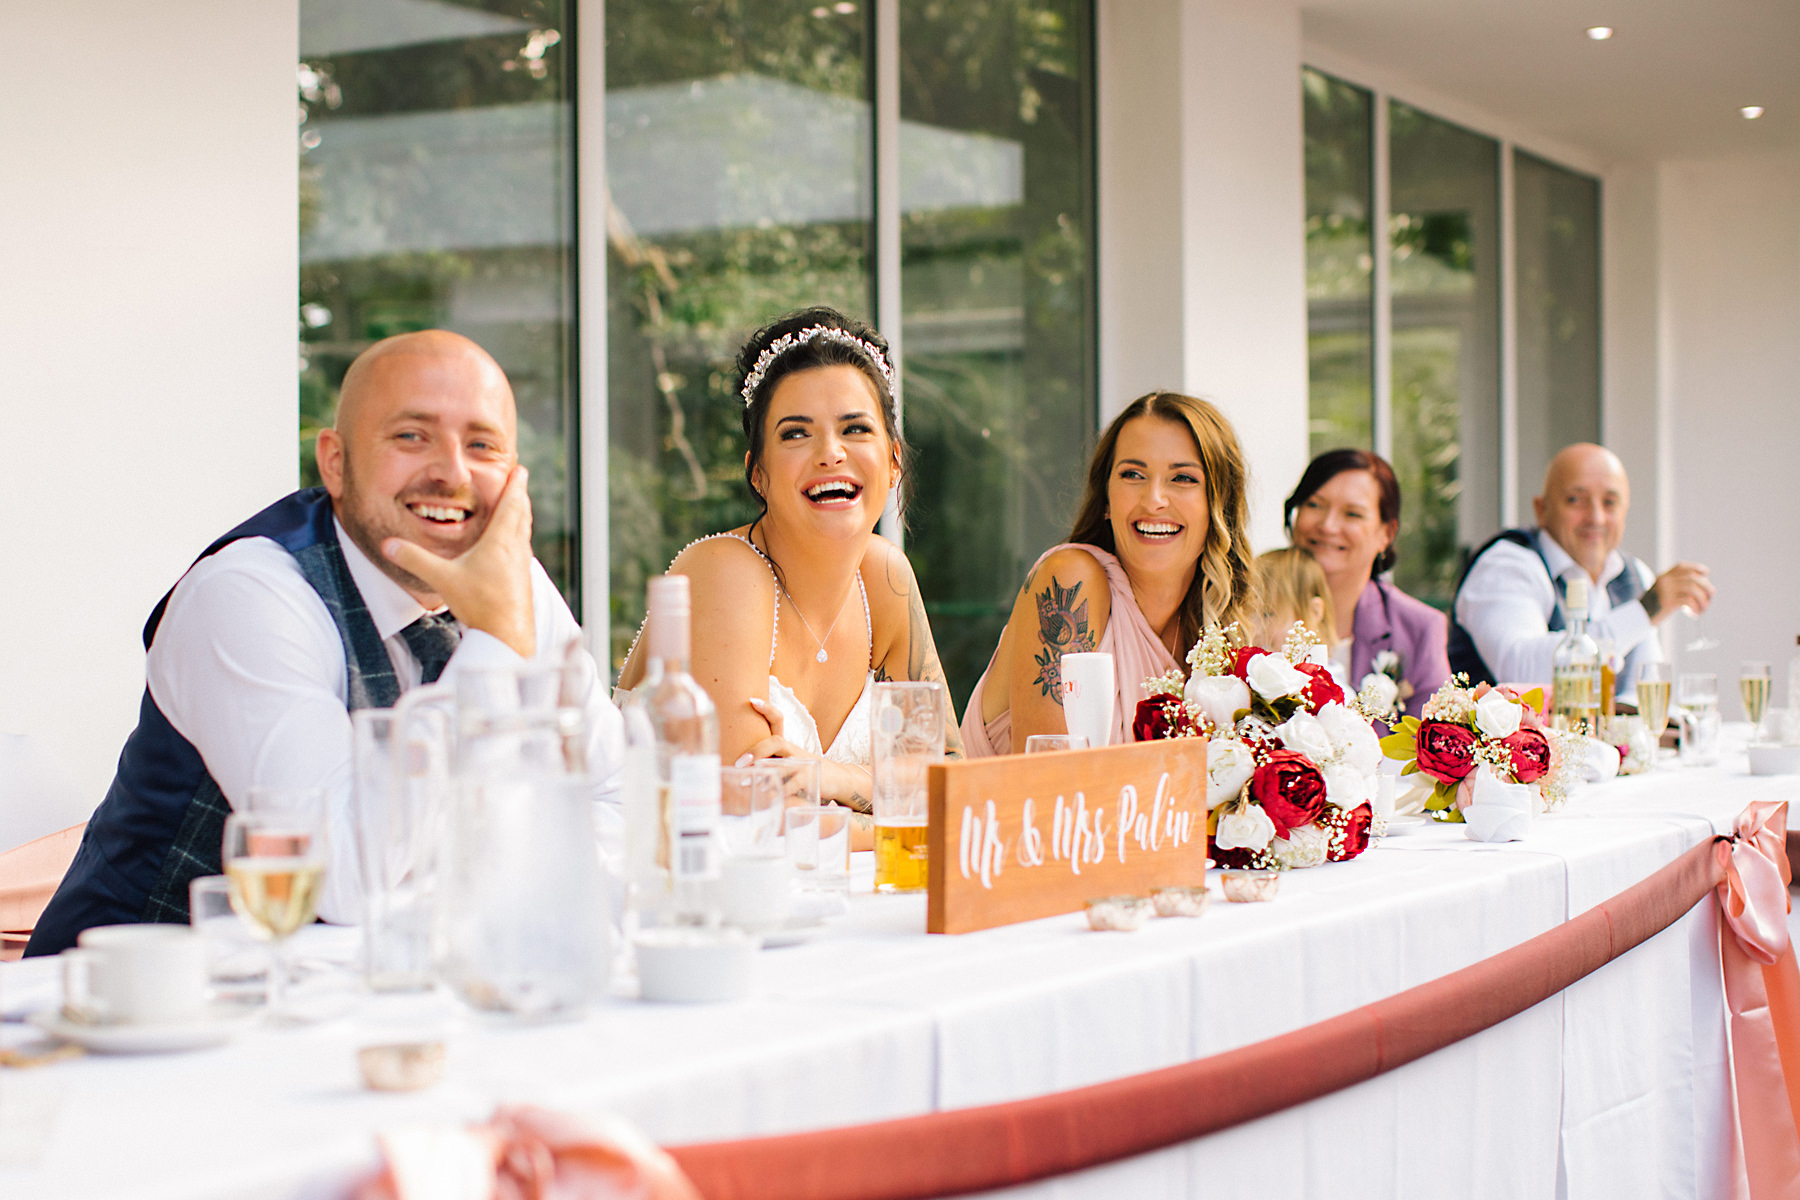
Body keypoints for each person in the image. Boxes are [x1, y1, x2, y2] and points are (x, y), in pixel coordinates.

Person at [28, 331, 625, 956]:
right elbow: (339, 881)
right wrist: (498, 643)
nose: (452, 473)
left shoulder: (512, 581)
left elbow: (615, 797)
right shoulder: (247, 593)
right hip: (129, 1009)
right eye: (411, 436)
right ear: (335, 462)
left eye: (482, 445)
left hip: (370, 996)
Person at [616, 307, 962, 832]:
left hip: (832, 899)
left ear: (893, 462)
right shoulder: (725, 571)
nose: (830, 453)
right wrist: (899, 815)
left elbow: (952, 782)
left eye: (855, 428)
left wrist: (833, 778)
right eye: (796, 434)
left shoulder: (885, 578)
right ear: (759, 473)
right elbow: (755, 815)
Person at [963, 392, 1256, 756]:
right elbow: (1051, 783)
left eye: (1182, 478)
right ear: (1105, 497)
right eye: (1133, 474)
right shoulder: (1070, 582)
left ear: (1219, 502)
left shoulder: (1221, 632)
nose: (1154, 500)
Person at [1449, 442, 1713, 698]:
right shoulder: (1506, 565)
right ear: (1542, 510)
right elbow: (1521, 673)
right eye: (1576, 500)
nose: (1595, 517)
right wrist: (1646, 610)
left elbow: (1644, 690)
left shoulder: (1635, 574)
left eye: (1610, 502)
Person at [1285, 448, 1449, 720]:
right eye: (1314, 505)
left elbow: (1427, 747)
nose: (1328, 525)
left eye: (1352, 514)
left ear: (1386, 534)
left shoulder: (1419, 629)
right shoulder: (1249, 607)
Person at [1253, 547, 1338, 664]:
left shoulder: (1329, 678)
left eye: (1267, 615)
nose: (1255, 630)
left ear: (1314, 612)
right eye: (1250, 616)